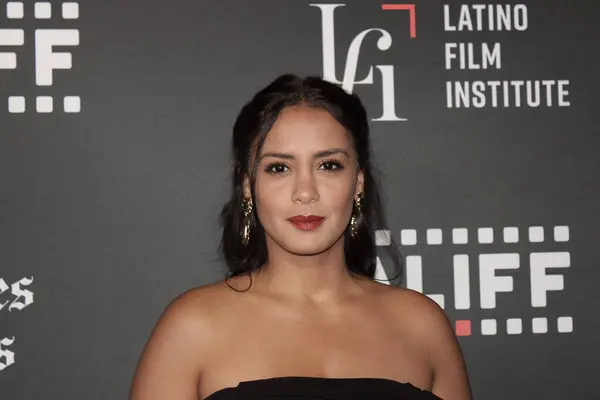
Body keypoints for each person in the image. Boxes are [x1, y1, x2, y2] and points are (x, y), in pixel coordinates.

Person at [129, 74, 472, 400]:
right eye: (279, 168)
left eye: (329, 165)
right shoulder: (192, 328)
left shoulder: (421, 326)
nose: (305, 192)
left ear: (359, 183)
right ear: (248, 186)